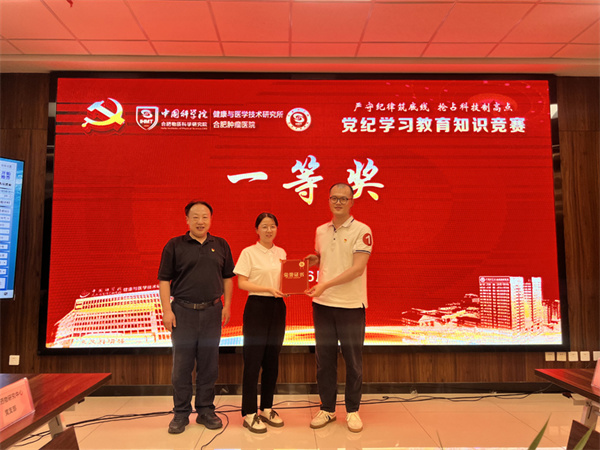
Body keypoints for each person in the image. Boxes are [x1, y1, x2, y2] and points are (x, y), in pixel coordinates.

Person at [158, 200, 235, 435]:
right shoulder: (174, 245)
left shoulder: (220, 244)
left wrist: (227, 305)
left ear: (211, 219)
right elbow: (164, 280)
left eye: (205, 217)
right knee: (182, 366)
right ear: (187, 220)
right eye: (195, 217)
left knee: (209, 365)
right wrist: (167, 310)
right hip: (182, 312)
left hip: (212, 311)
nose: (200, 221)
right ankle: (181, 413)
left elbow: (228, 278)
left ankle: (205, 410)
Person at [305, 182, 372, 433]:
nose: (338, 202)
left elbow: (357, 269)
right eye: (334, 198)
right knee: (324, 361)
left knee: (353, 362)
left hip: (351, 305)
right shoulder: (321, 230)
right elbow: (329, 258)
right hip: (323, 305)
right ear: (329, 201)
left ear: (352, 202)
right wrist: (315, 260)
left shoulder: (362, 230)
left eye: (344, 198)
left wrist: (325, 284)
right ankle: (327, 409)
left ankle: (352, 411)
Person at [234, 212, 287, 434]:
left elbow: (285, 279)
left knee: (272, 360)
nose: (268, 230)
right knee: (253, 361)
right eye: (264, 226)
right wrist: (267, 289)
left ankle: (266, 408)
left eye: (272, 226)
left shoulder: (281, 252)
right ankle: (249, 412)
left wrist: (287, 289)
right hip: (256, 307)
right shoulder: (249, 252)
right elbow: (242, 283)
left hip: (277, 307)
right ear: (257, 230)